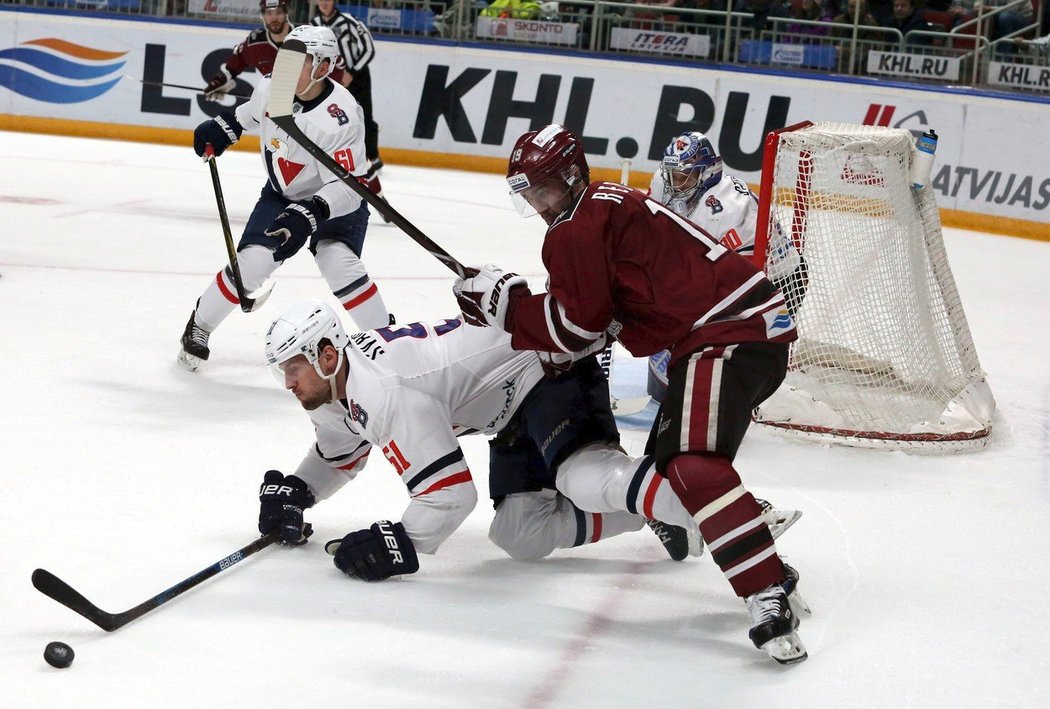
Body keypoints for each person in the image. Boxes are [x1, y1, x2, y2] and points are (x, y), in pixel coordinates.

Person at [451, 124, 809, 664]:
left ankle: (767, 592)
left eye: (544, 191)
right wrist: (513, 305)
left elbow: (574, 328)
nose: (540, 205)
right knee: (671, 472)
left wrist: (507, 304)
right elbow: (594, 320)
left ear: (571, 177)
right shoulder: (601, 207)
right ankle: (768, 565)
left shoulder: (576, 226)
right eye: (529, 195)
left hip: (728, 331)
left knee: (691, 464)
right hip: (735, 330)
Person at [258, 299, 710, 579]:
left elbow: (450, 495)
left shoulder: (386, 393)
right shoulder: (338, 384)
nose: (287, 383)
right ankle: (648, 510)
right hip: (509, 408)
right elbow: (340, 449)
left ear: (327, 355)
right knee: (520, 536)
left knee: (584, 479)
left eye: (292, 369)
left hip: (550, 369)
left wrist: (401, 542)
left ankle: (710, 504)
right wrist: (301, 491)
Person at [178, 26, 392, 371]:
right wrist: (224, 127)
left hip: (334, 200)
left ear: (323, 68)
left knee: (337, 261)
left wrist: (314, 209)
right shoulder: (272, 87)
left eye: (298, 61)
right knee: (252, 265)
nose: (285, 68)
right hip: (281, 195)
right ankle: (198, 326)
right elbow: (249, 114)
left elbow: (351, 186)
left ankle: (388, 342)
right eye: (285, 59)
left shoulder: (343, 114)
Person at [644, 131, 808, 402]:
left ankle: (732, 393)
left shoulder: (732, 210)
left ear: (709, 172)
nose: (676, 183)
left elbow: (735, 283)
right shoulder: (664, 182)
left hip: (778, 282)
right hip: (725, 267)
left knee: (723, 340)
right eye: (672, 174)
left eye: (685, 176)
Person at [312, 0, 387, 205]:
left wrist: (353, 72)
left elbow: (369, 48)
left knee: (365, 116)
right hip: (333, 78)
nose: (324, 3)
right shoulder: (315, 23)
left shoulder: (349, 21)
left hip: (358, 77)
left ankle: (372, 156)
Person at [204, 0, 294, 102]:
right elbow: (233, 67)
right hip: (276, 103)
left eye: (278, 12)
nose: (274, 18)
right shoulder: (254, 43)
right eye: (269, 13)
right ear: (263, 16)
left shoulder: (305, 37)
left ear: (286, 14)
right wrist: (220, 82)